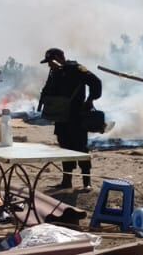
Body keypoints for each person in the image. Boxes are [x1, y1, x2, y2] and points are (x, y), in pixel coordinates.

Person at [37, 47, 102, 190]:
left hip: (77, 117)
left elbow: (96, 83)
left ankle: (87, 182)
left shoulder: (76, 69)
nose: (49, 65)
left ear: (59, 58)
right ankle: (67, 181)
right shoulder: (54, 73)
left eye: (51, 61)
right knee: (64, 149)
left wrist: (90, 100)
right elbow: (49, 90)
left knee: (80, 148)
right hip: (61, 118)